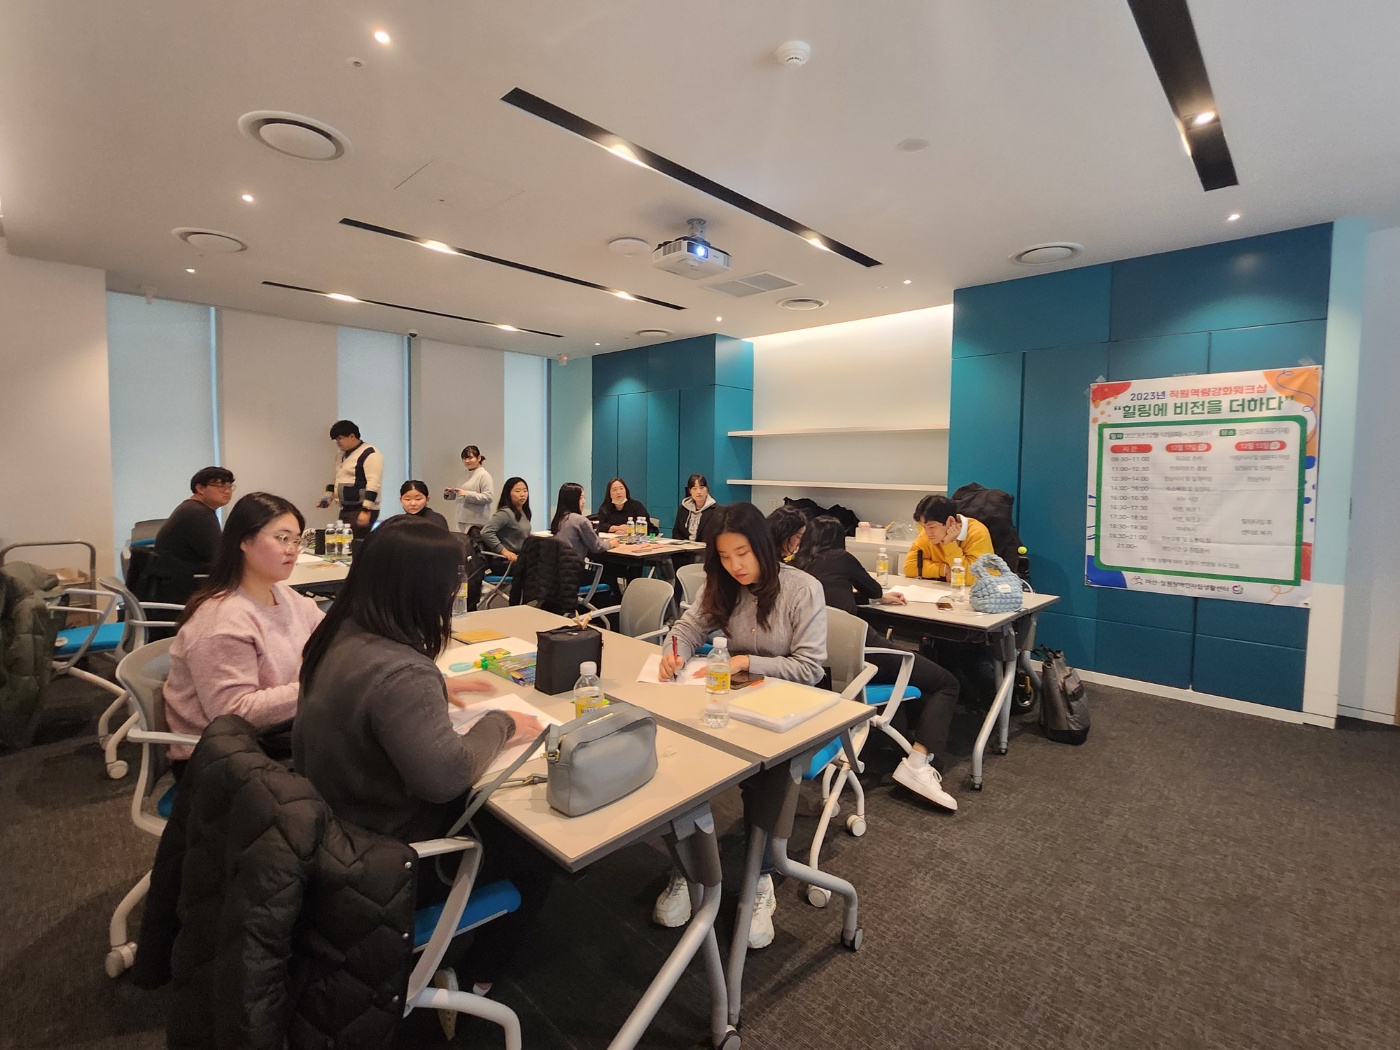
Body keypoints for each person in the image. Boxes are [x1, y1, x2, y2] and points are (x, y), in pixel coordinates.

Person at [292, 517, 550, 1012]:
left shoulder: (338, 633)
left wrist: (436, 688)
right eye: (452, 582)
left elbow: (376, 702)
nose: (456, 592)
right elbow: (447, 777)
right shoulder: (401, 671)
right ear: (421, 588)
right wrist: (500, 722)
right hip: (385, 855)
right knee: (534, 849)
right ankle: (476, 977)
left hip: (331, 824)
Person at [654, 502, 827, 949]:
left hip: (787, 715)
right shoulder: (723, 585)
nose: (735, 566)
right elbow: (687, 627)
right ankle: (689, 869)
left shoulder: (802, 590)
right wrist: (673, 651)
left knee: (766, 777)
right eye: (725, 557)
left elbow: (810, 669)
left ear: (764, 546)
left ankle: (761, 877)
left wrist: (750, 662)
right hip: (729, 705)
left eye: (743, 554)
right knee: (679, 757)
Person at [793, 516, 960, 810]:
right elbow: (873, 589)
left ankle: (902, 738)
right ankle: (917, 764)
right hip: (860, 654)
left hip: (823, 665)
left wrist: (852, 596)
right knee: (947, 683)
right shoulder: (841, 557)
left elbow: (835, 596)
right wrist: (873, 597)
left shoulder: (797, 566)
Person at [162, 493, 324, 772]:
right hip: (222, 761)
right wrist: (320, 685)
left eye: (297, 540)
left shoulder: (285, 596)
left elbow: (332, 638)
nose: (292, 550)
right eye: (282, 538)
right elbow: (234, 712)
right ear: (244, 541)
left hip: (274, 736)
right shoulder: (222, 620)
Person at [146, 466, 236, 604]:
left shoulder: (190, 508)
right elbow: (219, 558)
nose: (227, 491)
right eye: (220, 486)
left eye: (229, 486)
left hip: (170, 587)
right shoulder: (199, 514)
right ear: (200, 488)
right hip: (181, 594)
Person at [318, 420, 384, 542]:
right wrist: (328, 496)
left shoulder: (370, 453)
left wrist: (366, 509)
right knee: (343, 542)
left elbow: (374, 483)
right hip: (346, 508)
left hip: (362, 508)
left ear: (352, 436)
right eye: (336, 440)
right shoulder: (341, 455)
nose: (338, 442)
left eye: (340, 438)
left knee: (355, 543)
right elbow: (336, 477)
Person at [903, 494, 994, 581]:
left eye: (932, 527)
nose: (927, 533)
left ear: (950, 521)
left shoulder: (977, 532)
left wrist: (949, 544)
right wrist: (944, 569)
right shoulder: (928, 533)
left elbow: (974, 576)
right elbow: (909, 567)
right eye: (924, 527)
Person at [480, 477, 532, 563]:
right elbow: (486, 532)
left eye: (525, 491)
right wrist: (504, 551)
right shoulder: (505, 513)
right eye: (517, 491)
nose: (522, 494)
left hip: (521, 557)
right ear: (508, 494)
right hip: (507, 561)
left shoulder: (524, 512)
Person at [549, 482, 607, 558]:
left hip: (560, 563)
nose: (584, 501)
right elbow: (597, 547)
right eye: (580, 498)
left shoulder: (559, 518)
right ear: (572, 500)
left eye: (584, 497)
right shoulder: (581, 521)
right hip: (574, 564)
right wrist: (611, 544)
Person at [449, 445, 494, 534]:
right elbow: (461, 494)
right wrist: (451, 493)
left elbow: (488, 497)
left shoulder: (484, 475)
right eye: (464, 458)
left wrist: (466, 494)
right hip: (461, 519)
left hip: (476, 523)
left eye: (470, 458)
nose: (467, 461)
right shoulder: (464, 474)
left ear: (479, 458)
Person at [671, 473, 719, 542]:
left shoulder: (716, 510)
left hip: (705, 547)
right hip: (685, 547)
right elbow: (676, 532)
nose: (699, 492)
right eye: (694, 489)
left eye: (701, 488)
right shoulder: (683, 508)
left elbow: (716, 536)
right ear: (690, 491)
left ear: (707, 489)